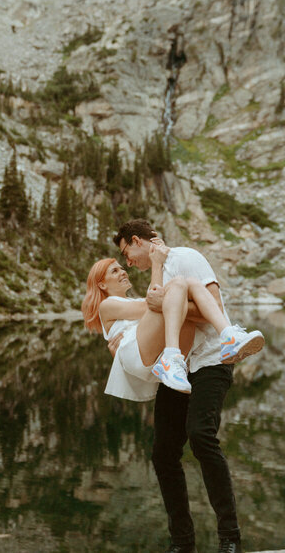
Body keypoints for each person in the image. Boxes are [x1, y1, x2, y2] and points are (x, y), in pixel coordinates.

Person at [111, 219, 261, 553]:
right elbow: (152, 311)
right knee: (163, 454)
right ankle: (183, 544)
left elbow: (213, 311)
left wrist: (169, 305)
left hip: (210, 362)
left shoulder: (186, 257)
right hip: (179, 366)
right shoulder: (159, 271)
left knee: (201, 436)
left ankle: (230, 538)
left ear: (137, 241)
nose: (128, 263)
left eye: (127, 254)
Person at [81, 245, 263, 398]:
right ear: (102, 285)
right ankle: (172, 357)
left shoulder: (129, 301)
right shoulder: (107, 305)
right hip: (136, 354)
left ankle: (228, 335)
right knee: (178, 284)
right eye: (115, 271)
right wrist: (157, 264)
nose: (123, 272)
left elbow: (162, 306)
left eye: (121, 268)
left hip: (149, 353)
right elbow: (154, 304)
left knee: (190, 283)